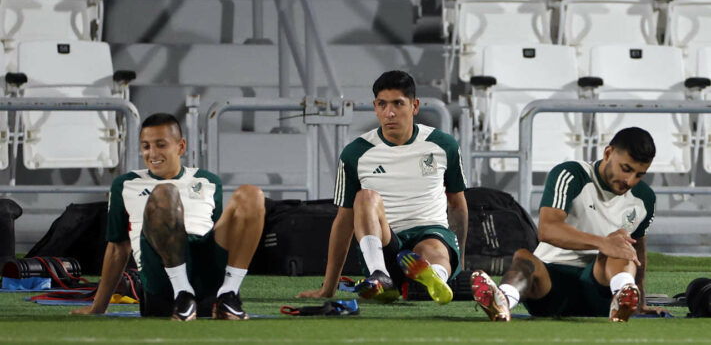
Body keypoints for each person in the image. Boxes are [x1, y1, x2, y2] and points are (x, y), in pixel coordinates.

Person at [72, 113, 265, 320]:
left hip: (205, 269)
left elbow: (219, 236)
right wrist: (98, 307)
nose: (152, 153)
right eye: (146, 146)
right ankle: (182, 294)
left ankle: (229, 295)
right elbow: (118, 249)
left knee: (251, 195)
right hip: (160, 271)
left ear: (180, 147)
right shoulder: (125, 184)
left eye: (161, 145)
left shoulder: (208, 181)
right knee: (166, 192)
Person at [298, 70, 468, 304]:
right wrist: (328, 287)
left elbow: (457, 204)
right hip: (385, 240)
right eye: (382, 104)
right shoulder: (355, 153)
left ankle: (436, 278)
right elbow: (344, 220)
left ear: (415, 106)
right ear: (375, 107)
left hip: (430, 233)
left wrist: (458, 257)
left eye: (398, 103)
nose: (390, 113)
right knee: (365, 198)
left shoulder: (443, 145)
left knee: (433, 248)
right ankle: (381, 276)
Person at [471, 127, 664, 322]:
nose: (630, 181)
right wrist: (602, 243)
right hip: (551, 286)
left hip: (600, 290)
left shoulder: (644, 198)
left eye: (639, 175)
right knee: (524, 257)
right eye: (626, 169)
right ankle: (502, 301)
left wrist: (640, 303)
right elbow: (548, 229)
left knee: (621, 245)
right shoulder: (572, 174)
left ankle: (624, 298)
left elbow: (637, 250)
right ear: (608, 153)